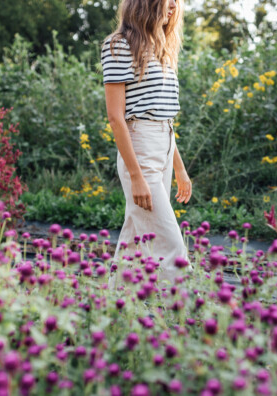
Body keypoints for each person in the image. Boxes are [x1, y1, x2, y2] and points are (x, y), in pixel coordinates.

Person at [101, 0, 192, 289]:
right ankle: (189, 320)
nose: (174, 7)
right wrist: (137, 175)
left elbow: (163, 116)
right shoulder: (118, 45)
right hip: (139, 148)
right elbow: (116, 118)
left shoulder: (163, 47)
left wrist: (179, 167)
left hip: (164, 145)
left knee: (135, 239)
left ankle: (111, 310)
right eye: (168, 1)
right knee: (170, 246)